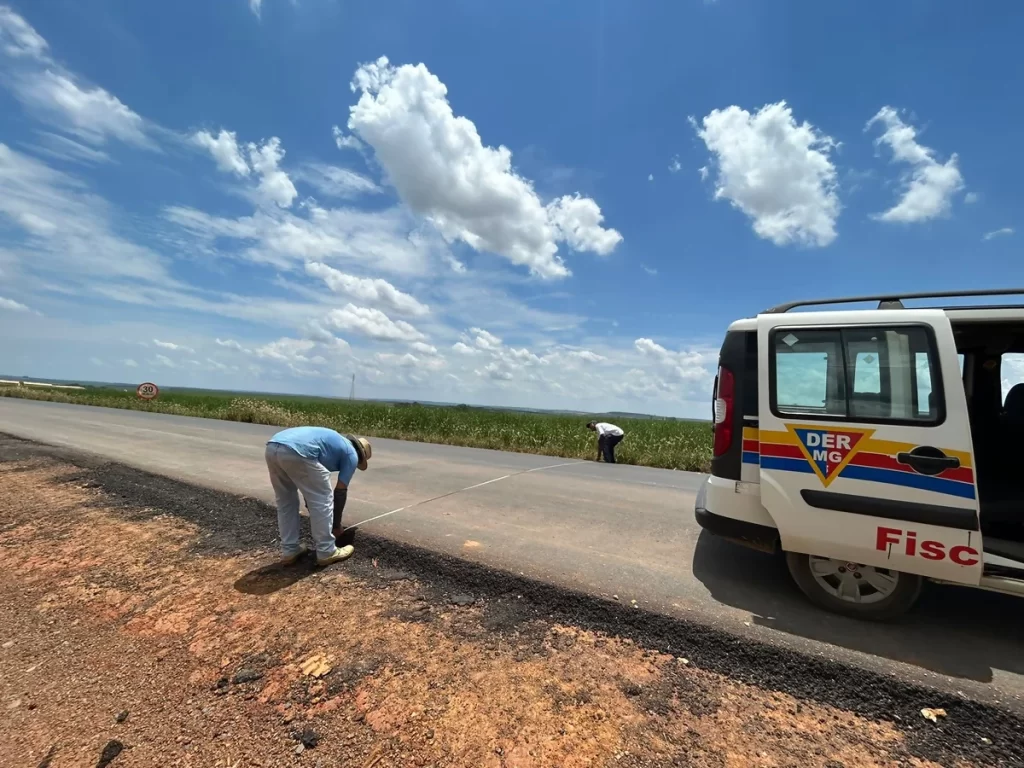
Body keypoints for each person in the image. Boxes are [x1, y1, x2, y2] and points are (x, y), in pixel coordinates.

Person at [264, 426, 372, 566]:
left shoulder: (335, 444)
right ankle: (326, 551)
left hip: (273, 447)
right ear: (360, 455)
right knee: (323, 499)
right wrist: (336, 526)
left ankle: (290, 550)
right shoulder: (352, 454)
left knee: (286, 502)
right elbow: (340, 492)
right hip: (298, 450)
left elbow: (308, 486)